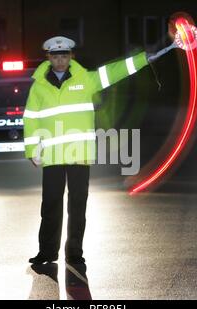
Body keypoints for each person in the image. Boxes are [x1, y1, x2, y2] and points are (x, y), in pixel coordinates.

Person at [24, 36, 150, 264]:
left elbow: (115, 71)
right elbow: (30, 119)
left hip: (79, 154)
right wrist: (32, 148)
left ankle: (74, 252)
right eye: (55, 56)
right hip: (52, 156)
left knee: (77, 206)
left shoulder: (87, 79)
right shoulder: (38, 86)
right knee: (50, 205)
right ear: (49, 58)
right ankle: (47, 252)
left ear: (72, 56)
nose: (60, 60)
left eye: (64, 55)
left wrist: (144, 58)